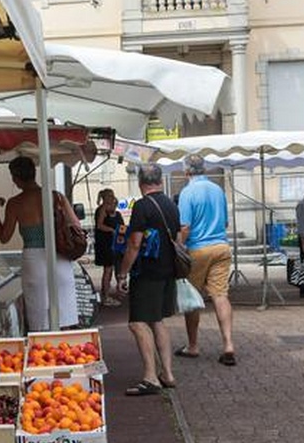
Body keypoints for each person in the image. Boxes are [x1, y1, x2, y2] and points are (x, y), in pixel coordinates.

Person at [0, 156, 79, 331]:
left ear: (16, 177)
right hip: (60, 256)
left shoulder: (15, 203)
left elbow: (4, 237)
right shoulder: (57, 197)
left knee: (39, 317)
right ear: (33, 173)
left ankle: (43, 345)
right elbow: (76, 225)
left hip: (33, 259)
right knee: (64, 316)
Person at [116, 163, 178, 395]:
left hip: (147, 273)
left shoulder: (142, 206)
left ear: (140, 182)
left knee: (137, 323)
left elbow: (134, 243)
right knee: (157, 320)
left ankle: (151, 377)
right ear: (160, 181)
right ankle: (168, 374)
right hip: (168, 271)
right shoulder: (171, 204)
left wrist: (122, 273)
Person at [174, 155, 237, 365]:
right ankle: (228, 344)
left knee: (192, 298)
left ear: (186, 172)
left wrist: (179, 246)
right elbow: (225, 222)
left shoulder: (187, 192)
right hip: (221, 247)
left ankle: (193, 345)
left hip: (198, 249)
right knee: (220, 295)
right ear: (205, 169)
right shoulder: (217, 190)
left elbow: (185, 226)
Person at [93, 189, 125, 307]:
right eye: (110, 196)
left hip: (114, 243)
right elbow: (99, 225)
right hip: (106, 244)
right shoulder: (102, 210)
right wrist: (112, 230)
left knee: (113, 268)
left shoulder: (115, 212)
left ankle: (109, 293)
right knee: (108, 269)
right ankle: (105, 296)